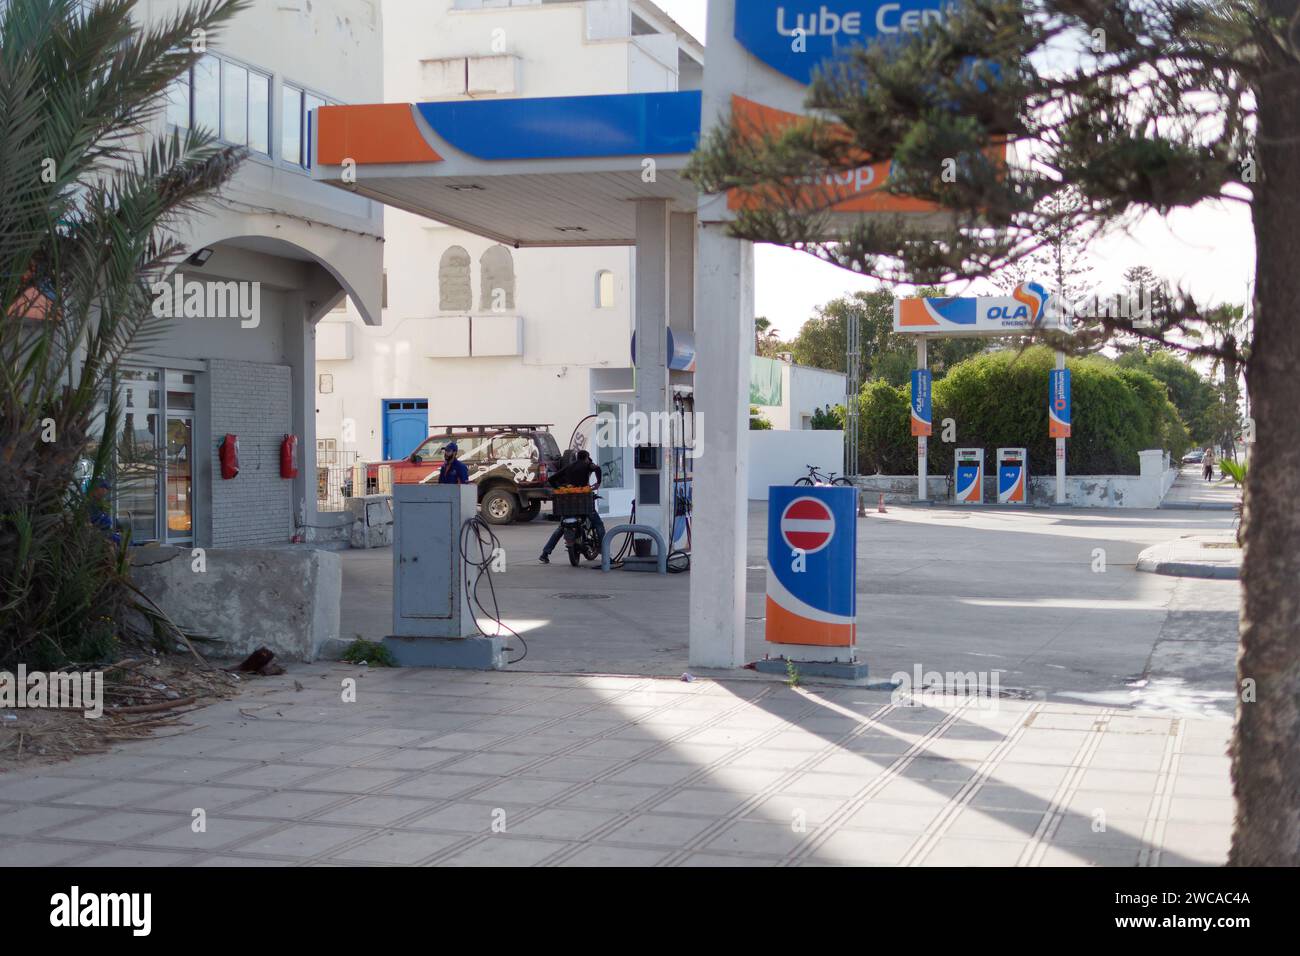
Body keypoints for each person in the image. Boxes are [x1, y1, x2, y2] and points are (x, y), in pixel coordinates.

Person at [539, 449, 605, 564]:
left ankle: (545, 553)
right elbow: (598, 468)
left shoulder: (569, 467)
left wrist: (559, 489)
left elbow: (551, 479)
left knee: (561, 528)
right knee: (598, 523)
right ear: (586, 458)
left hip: (568, 502)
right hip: (583, 501)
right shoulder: (587, 465)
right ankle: (605, 552)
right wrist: (598, 482)